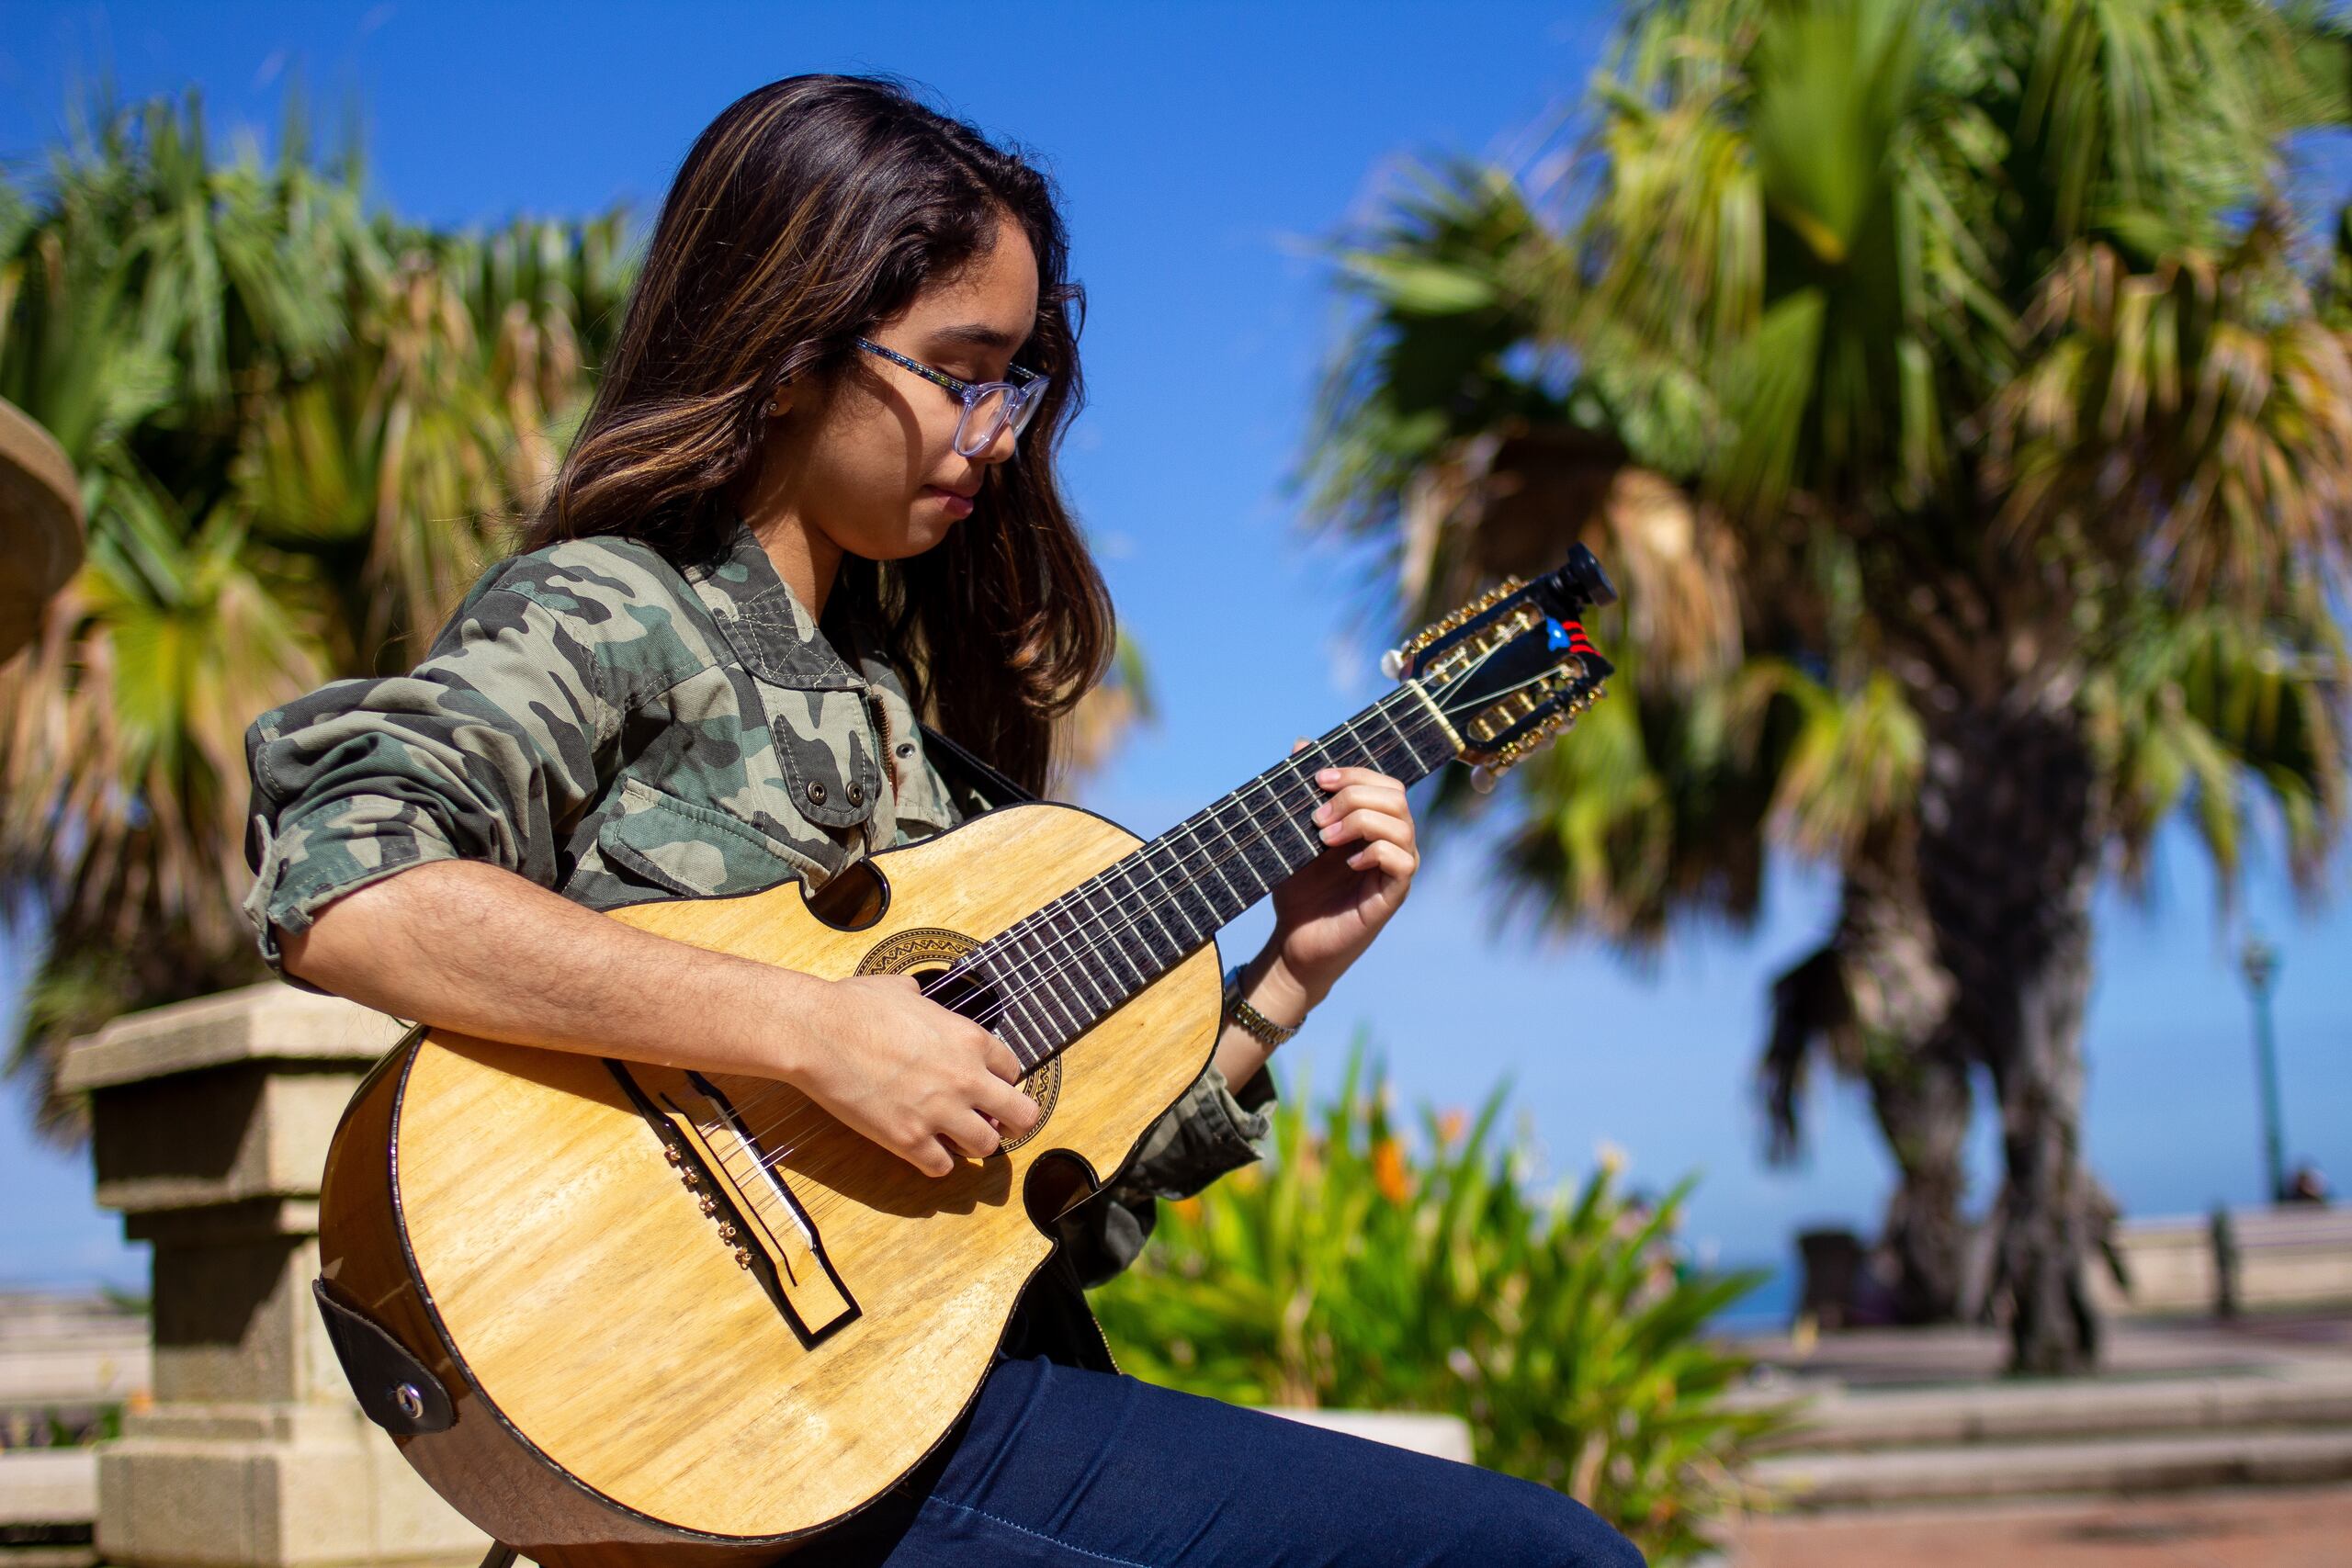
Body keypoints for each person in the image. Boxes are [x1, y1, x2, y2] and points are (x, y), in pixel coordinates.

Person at [241, 73, 1644, 1568]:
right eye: (962, 370)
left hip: (929, 1408)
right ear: (791, 353)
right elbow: (353, 885)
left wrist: (1281, 984)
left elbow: (1046, 1230)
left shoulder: (922, 738)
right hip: (749, 1421)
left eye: (1020, 383)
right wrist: (813, 1030)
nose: (997, 428)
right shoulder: (616, 606)